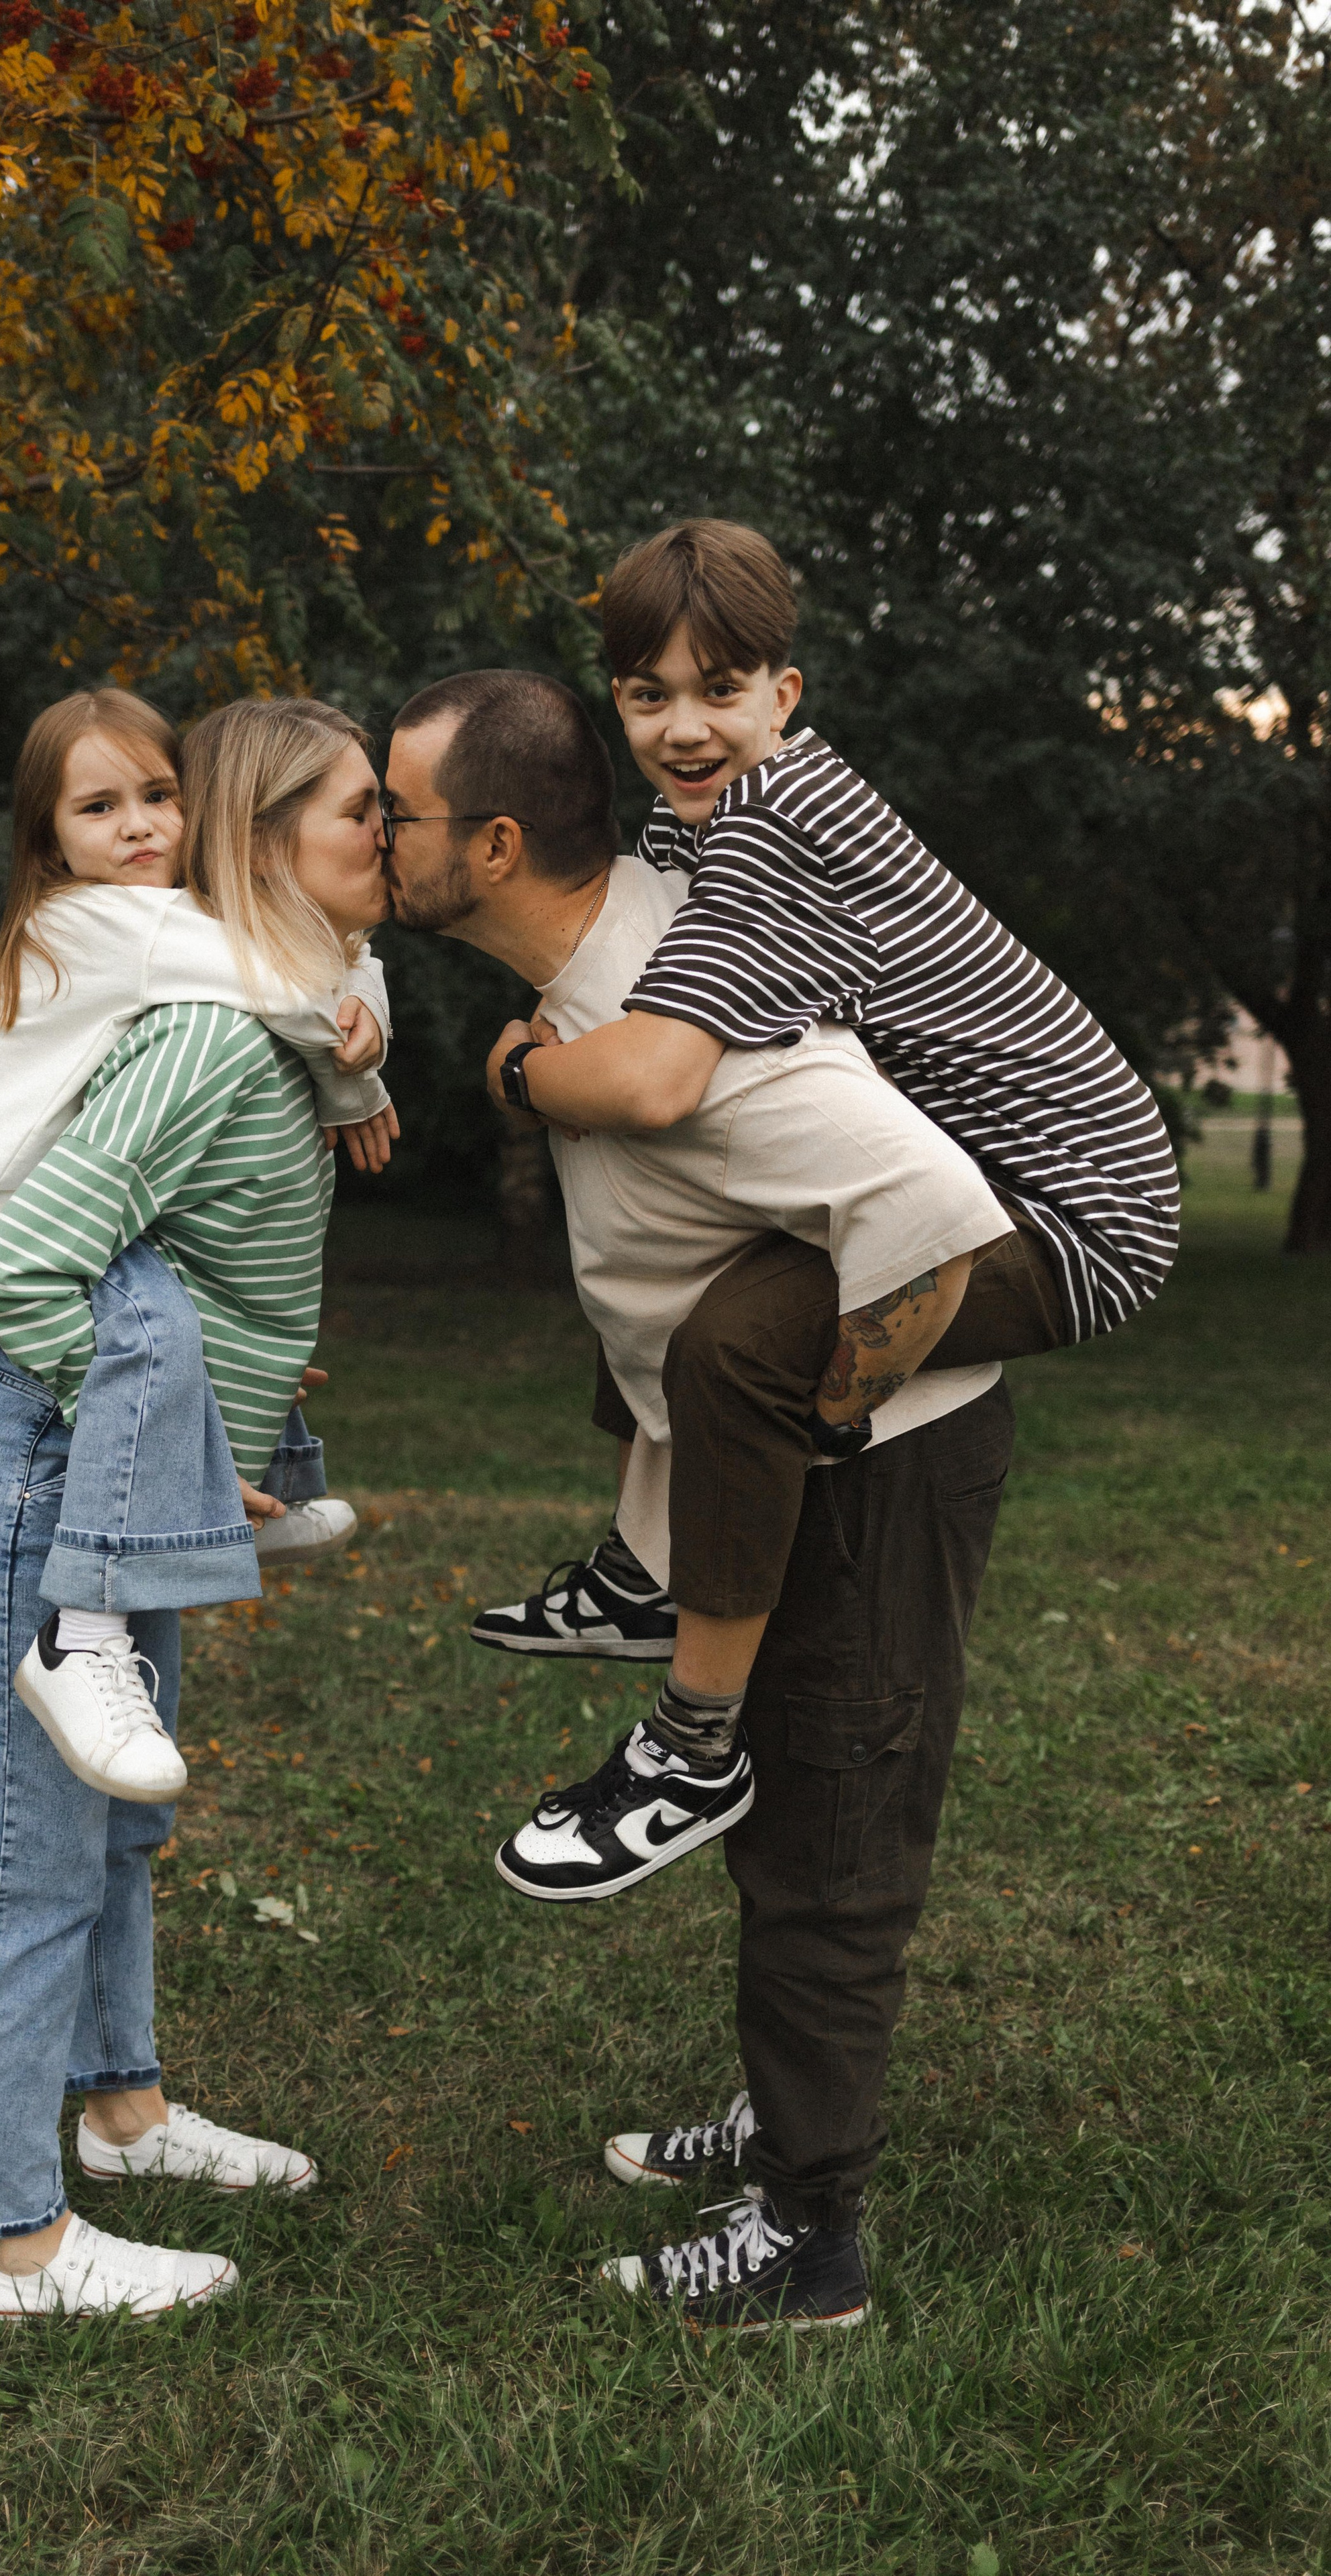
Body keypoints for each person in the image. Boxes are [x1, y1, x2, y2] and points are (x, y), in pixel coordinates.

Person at [380, 659, 1171, 2330]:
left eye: (396, 814)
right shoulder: (606, 978)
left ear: (498, 842)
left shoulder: (685, 997)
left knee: (830, 1820)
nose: (377, 838)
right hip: (781, 1430)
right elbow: (651, 1281)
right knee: (787, 1803)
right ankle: (784, 2107)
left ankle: (809, 2242)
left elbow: (915, 1198)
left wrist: (535, 1089)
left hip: (888, 1431)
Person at [465, 521, 1176, 1878]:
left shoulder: (764, 838)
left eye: (718, 689)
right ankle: (643, 1567)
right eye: (646, 694)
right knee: (681, 1244)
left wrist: (518, 1069)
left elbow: (660, 1077)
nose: (682, 726)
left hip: (1072, 1211)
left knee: (739, 1343)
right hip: (1024, 1169)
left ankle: (690, 1748)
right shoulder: (749, 815)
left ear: (781, 697)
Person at [0, 694, 392, 2320]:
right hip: (26, 1454)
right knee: (21, 1862)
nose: (390, 838)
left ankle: (123, 2116)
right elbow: (31, 1272)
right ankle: (18, 2247)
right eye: (358, 811)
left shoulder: (223, 996)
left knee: (109, 1840)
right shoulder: (169, 990)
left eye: (157, 796)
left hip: (76, 1453)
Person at [0, 684, 396, 1802]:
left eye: (160, 795)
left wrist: (367, 1011)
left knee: (195, 1287)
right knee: (147, 1316)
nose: (142, 828)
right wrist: (358, 1064)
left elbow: (306, 953)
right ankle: (87, 1626)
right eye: (99, 809)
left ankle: (233, 1492)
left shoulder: (163, 925)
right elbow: (284, 973)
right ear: (49, 844)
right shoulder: (106, 923)